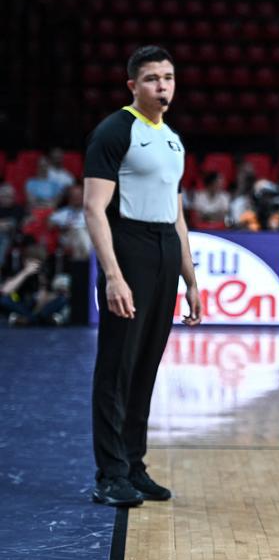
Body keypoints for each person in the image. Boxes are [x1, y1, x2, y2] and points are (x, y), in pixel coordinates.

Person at [83, 45, 202, 508]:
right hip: (128, 248)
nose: (162, 86)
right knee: (117, 368)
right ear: (133, 85)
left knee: (146, 368)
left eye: (168, 77)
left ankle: (133, 464)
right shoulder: (114, 131)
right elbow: (94, 209)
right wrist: (113, 276)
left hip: (164, 253)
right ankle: (109, 474)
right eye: (152, 78)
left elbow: (177, 216)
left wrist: (190, 279)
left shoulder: (172, 138)